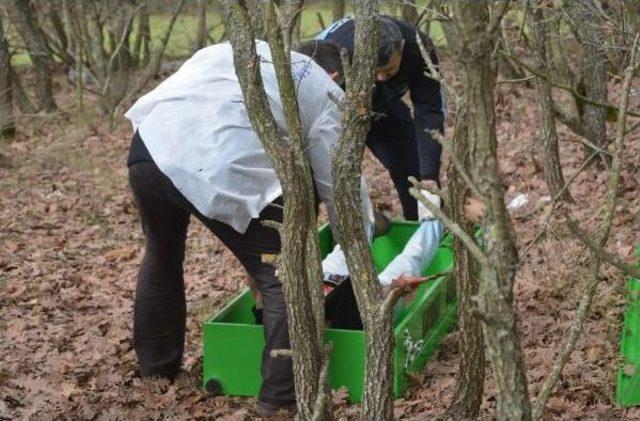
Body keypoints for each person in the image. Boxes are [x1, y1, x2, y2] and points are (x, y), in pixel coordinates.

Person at [124, 39, 372, 416]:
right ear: (336, 73)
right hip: (223, 160)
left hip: (151, 147)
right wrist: (356, 240)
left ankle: (156, 370)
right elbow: (340, 185)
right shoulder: (323, 86)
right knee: (285, 277)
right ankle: (280, 399)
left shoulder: (236, 47)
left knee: (162, 254)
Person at [317, 16, 445, 221]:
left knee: (414, 168)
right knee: (321, 180)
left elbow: (428, 109)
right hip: (332, 109)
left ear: (401, 48)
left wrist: (429, 177)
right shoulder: (336, 52)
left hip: (383, 106)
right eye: (377, 72)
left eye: (389, 70)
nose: (382, 77)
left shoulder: (419, 48)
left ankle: (422, 227)